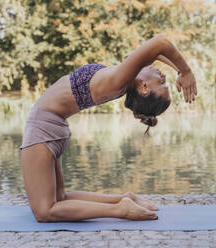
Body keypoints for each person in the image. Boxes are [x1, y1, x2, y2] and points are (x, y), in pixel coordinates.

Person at [20, 35, 197, 223]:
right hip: (55, 126)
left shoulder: (119, 80)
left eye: (161, 83)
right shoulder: (123, 78)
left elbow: (160, 43)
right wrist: (180, 71)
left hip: (43, 126)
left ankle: (121, 209)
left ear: (144, 88)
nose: (164, 77)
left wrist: (186, 71)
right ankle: (124, 199)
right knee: (60, 198)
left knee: (44, 211)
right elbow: (156, 52)